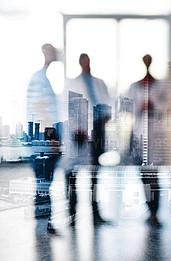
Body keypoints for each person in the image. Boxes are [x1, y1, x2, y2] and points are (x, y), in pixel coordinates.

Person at [64, 53, 111, 225]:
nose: (86, 64)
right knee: (73, 174)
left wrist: (105, 120)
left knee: (95, 174)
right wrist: (78, 129)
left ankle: (95, 213)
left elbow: (106, 104)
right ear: (79, 63)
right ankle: (72, 213)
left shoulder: (99, 83)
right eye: (83, 62)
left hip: (97, 131)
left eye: (88, 61)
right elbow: (68, 107)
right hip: (79, 133)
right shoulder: (72, 83)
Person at [26, 43, 61, 233]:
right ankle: (43, 224)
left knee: (43, 183)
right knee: (43, 183)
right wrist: (51, 137)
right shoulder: (40, 79)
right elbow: (40, 108)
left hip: (41, 141)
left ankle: (43, 223)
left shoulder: (42, 78)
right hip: (43, 142)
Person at [128, 54, 162, 225]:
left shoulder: (160, 86)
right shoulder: (135, 86)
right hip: (140, 135)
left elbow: (169, 107)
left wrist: (154, 106)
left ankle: (155, 211)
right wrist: (140, 107)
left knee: (154, 175)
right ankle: (151, 209)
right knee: (144, 175)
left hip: (155, 135)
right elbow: (128, 108)